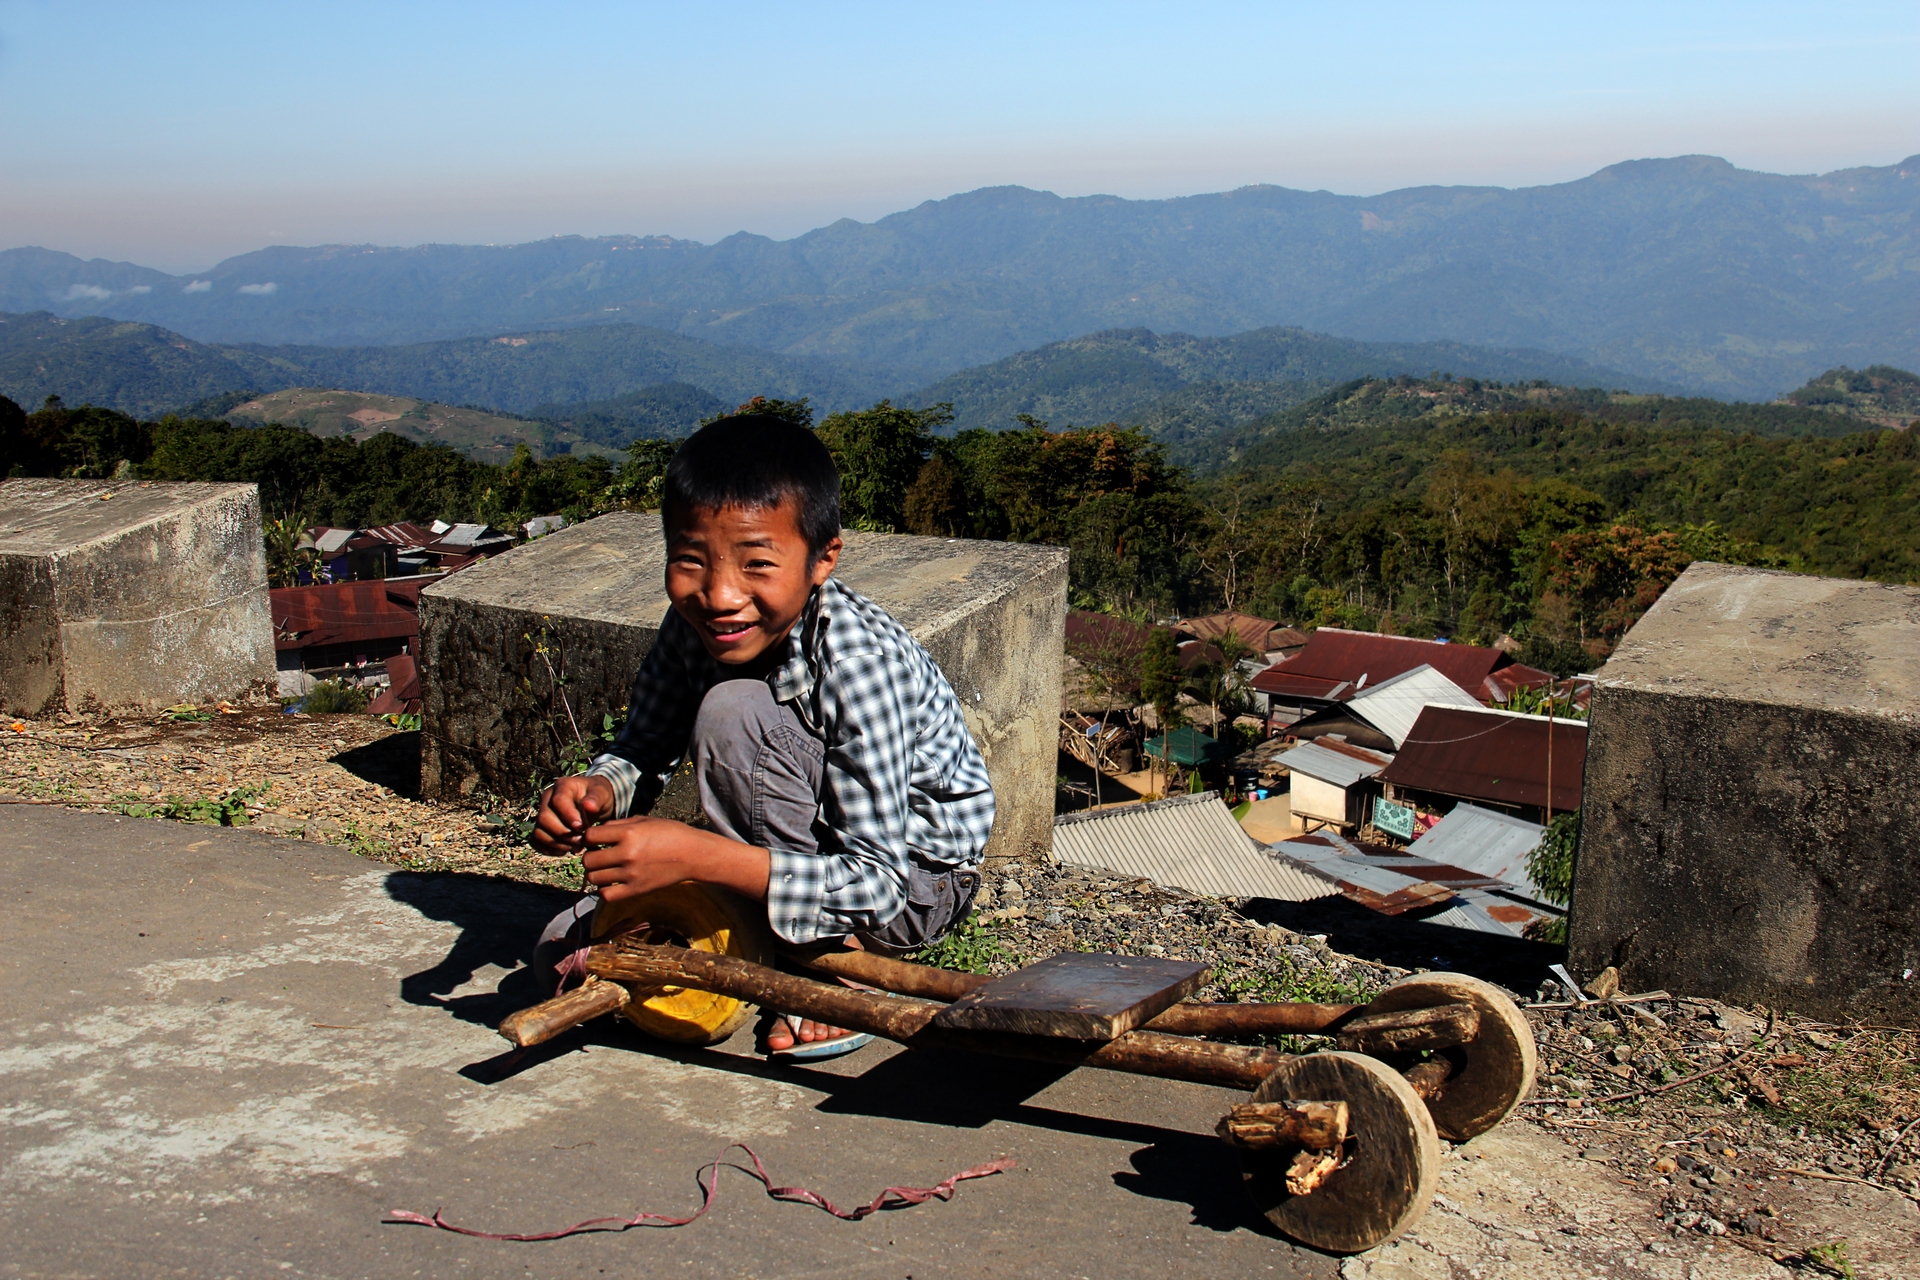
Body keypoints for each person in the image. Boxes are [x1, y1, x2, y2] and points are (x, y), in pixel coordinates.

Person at [530, 411, 995, 1059]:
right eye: (690, 560)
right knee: (555, 946)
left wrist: (698, 858)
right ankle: (757, 921)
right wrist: (600, 792)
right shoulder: (693, 623)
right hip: (799, 851)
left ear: (822, 559)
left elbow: (878, 883)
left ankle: (823, 960)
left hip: (913, 885)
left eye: (758, 564)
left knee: (734, 710)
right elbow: (644, 745)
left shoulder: (860, 665)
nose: (720, 595)